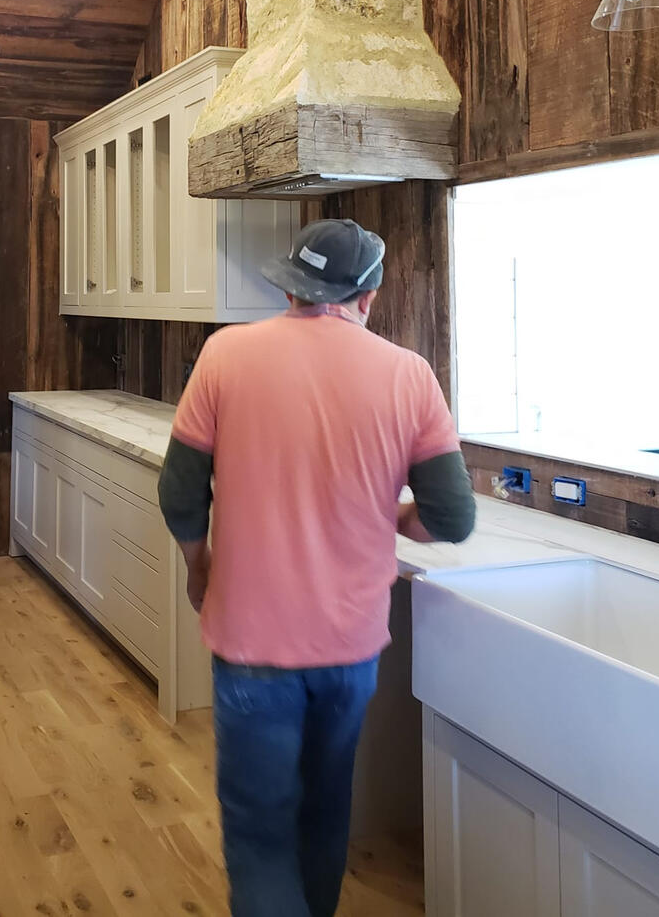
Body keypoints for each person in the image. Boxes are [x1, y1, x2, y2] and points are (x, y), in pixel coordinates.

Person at [158, 218, 476, 917]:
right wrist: (392, 519)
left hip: (251, 645)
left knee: (259, 830)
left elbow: (179, 494)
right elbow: (451, 518)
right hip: (350, 649)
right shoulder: (408, 375)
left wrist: (197, 564)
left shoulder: (226, 355)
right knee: (326, 809)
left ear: (290, 287)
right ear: (367, 295)